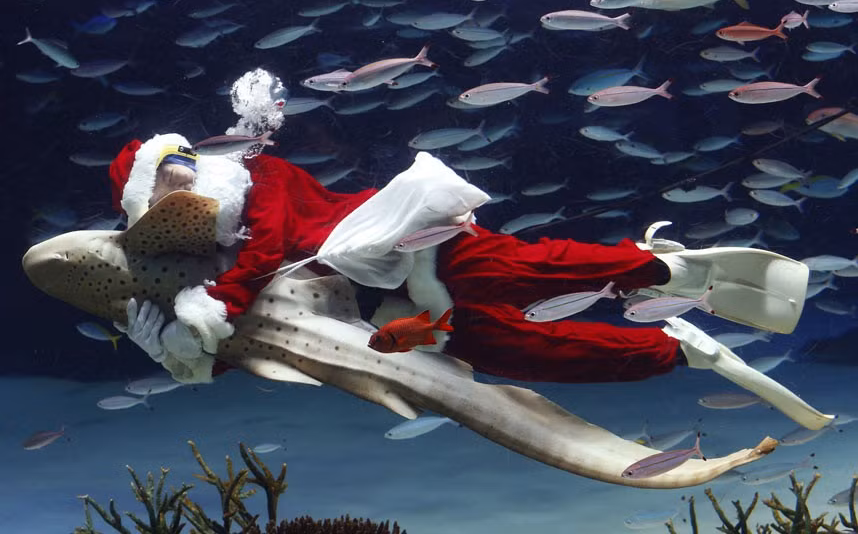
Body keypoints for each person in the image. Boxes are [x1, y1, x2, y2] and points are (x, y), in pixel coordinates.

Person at [108, 134, 813, 415]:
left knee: (519, 269)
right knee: (527, 351)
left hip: (409, 245)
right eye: (164, 201)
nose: (181, 203)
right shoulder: (202, 260)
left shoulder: (261, 176)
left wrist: (204, 316)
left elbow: (269, 250)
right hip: (391, 318)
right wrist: (179, 356)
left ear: (198, 164)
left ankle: (665, 268)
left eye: (180, 183)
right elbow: (266, 330)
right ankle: (677, 348)